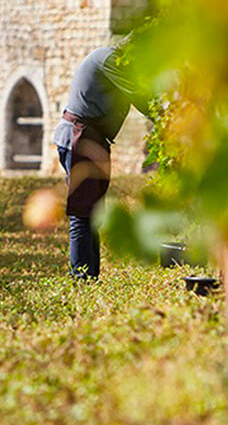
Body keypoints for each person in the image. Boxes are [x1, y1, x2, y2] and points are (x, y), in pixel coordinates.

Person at [54, 40, 151, 279]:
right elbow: (141, 96)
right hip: (80, 137)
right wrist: (169, 116)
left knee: (92, 211)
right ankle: (80, 276)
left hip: (91, 138)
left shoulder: (112, 61)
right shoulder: (110, 60)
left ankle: (90, 274)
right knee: (82, 212)